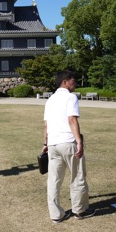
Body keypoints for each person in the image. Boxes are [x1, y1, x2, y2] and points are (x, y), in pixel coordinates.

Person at [42, 70, 95, 223]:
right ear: (64, 82)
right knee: (77, 177)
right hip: (68, 141)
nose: (75, 83)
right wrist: (79, 141)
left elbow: (46, 125)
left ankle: (56, 214)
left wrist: (45, 143)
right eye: (73, 80)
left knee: (54, 180)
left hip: (52, 144)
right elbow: (72, 120)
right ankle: (80, 210)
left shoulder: (50, 100)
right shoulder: (71, 97)